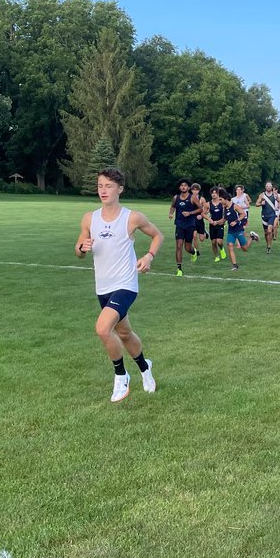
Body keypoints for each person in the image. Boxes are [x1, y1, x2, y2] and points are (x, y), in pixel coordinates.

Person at [75, 168, 162, 402]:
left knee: (103, 329)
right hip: (102, 287)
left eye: (109, 186)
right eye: (100, 186)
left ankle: (121, 376)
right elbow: (79, 250)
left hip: (126, 284)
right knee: (124, 333)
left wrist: (148, 257)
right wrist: (82, 248)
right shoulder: (89, 218)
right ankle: (145, 368)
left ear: (120, 189)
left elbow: (157, 235)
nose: (103, 190)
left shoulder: (132, 217)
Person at [219, 187, 261, 270]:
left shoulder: (235, 206)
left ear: (225, 199)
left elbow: (243, 214)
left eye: (220, 200)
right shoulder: (225, 208)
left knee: (244, 249)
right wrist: (216, 222)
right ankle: (235, 265)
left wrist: (236, 221)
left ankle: (252, 237)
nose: (220, 202)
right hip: (231, 231)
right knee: (230, 246)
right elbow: (224, 219)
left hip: (238, 229)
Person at [167, 179, 198, 276]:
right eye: (181, 185)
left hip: (190, 225)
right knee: (179, 245)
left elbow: (200, 208)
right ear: (179, 187)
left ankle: (193, 252)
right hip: (179, 224)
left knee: (187, 248)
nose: (183, 187)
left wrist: (190, 213)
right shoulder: (176, 198)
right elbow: (173, 206)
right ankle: (179, 269)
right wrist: (171, 213)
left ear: (188, 187)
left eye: (185, 185)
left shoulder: (193, 198)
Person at [257, 181, 279, 253]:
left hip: (272, 215)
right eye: (267, 186)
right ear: (265, 187)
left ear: (272, 187)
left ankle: (269, 246)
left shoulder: (275, 195)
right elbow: (257, 203)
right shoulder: (262, 195)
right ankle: (267, 244)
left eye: (270, 186)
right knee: (266, 232)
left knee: (269, 230)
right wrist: (261, 203)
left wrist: (278, 205)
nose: (268, 187)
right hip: (264, 215)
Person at [207, 186, 227, 262]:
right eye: (212, 193)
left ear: (218, 194)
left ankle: (222, 249)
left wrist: (221, 221)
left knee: (219, 242)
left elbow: (226, 213)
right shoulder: (208, 204)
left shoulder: (222, 203)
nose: (214, 194)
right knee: (213, 242)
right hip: (212, 225)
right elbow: (203, 213)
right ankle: (216, 256)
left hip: (220, 224)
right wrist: (209, 219)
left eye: (215, 193)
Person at [189, 182, 208, 257]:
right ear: (191, 190)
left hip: (200, 220)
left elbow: (206, 209)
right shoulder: (189, 198)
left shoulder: (202, 199)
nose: (195, 191)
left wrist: (202, 215)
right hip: (192, 219)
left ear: (199, 191)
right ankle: (197, 251)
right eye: (193, 190)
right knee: (194, 236)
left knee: (202, 239)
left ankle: (205, 232)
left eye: (196, 190)